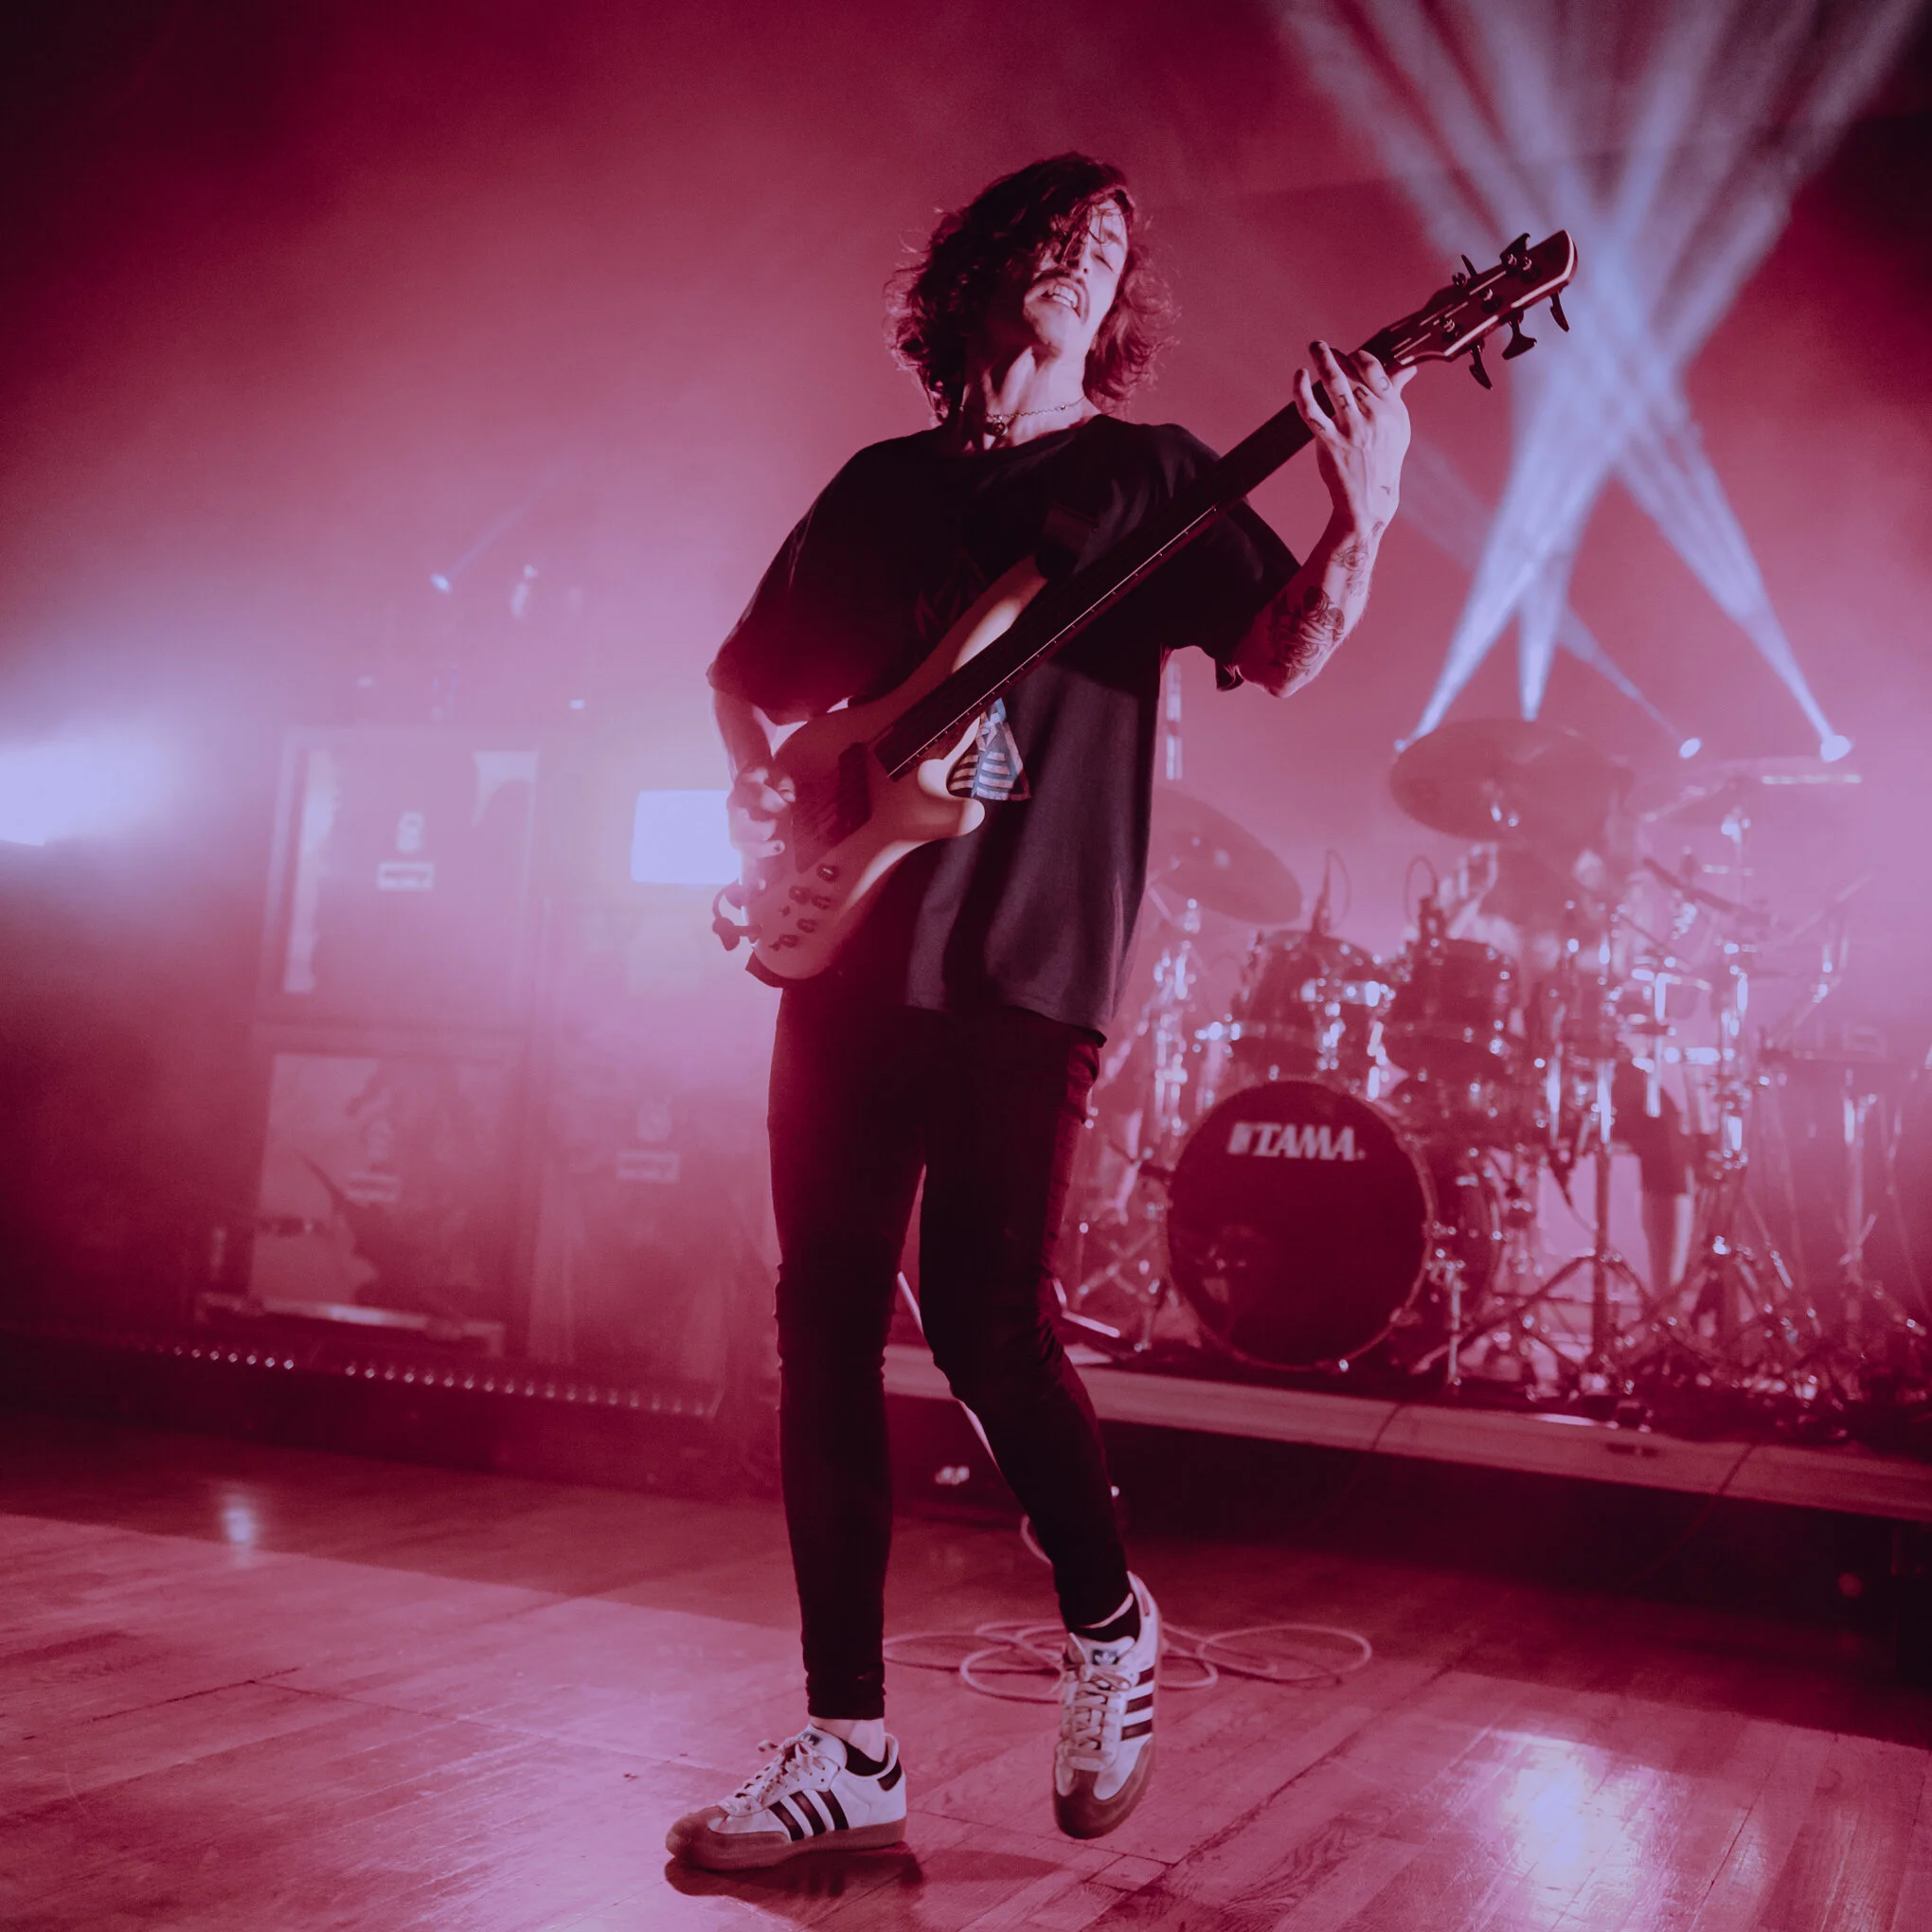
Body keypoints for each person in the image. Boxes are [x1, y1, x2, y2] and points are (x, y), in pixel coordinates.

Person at [667, 152, 1412, 1870]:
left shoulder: (1149, 480)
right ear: (986, 265)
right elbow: (743, 683)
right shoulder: (880, 489)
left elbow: (1283, 651)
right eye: (1060, 233)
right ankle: (848, 1746)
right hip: (846, 951)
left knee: (989, 1325)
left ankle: (1107, 1620)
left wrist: (1359, 523)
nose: (1085, 260)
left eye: (1113, 248)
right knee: (820, 1330)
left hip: (1031, 963)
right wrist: (765, 810)